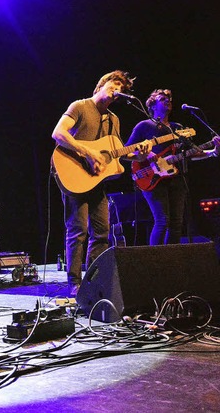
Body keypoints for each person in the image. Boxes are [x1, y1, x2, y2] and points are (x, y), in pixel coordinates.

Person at [51, 70, 151, 296]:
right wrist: (87, 152)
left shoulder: (113, 119)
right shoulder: (80, 106)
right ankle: (74, 283)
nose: (117, 91)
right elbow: (58, 133)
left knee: (102, 231)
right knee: (78, 230)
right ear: (101, 84)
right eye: (114, 85)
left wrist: (141, 154)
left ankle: (92, 280)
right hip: (72, 172)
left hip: (97, 182)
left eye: (122, 90)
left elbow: (117, 152)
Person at [125, 89, 220, 245]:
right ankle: (155, 261)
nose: (168, 100)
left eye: (169, 98)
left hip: (176, 178)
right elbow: (128, 150)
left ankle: (171, 262)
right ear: (152, 105)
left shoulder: (177, 128)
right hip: (151, 176)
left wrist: (213, 152)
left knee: (176, 224)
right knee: (162, 221)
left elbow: (190, 153)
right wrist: (149, 156)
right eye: (162, 98)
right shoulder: (144, 126)